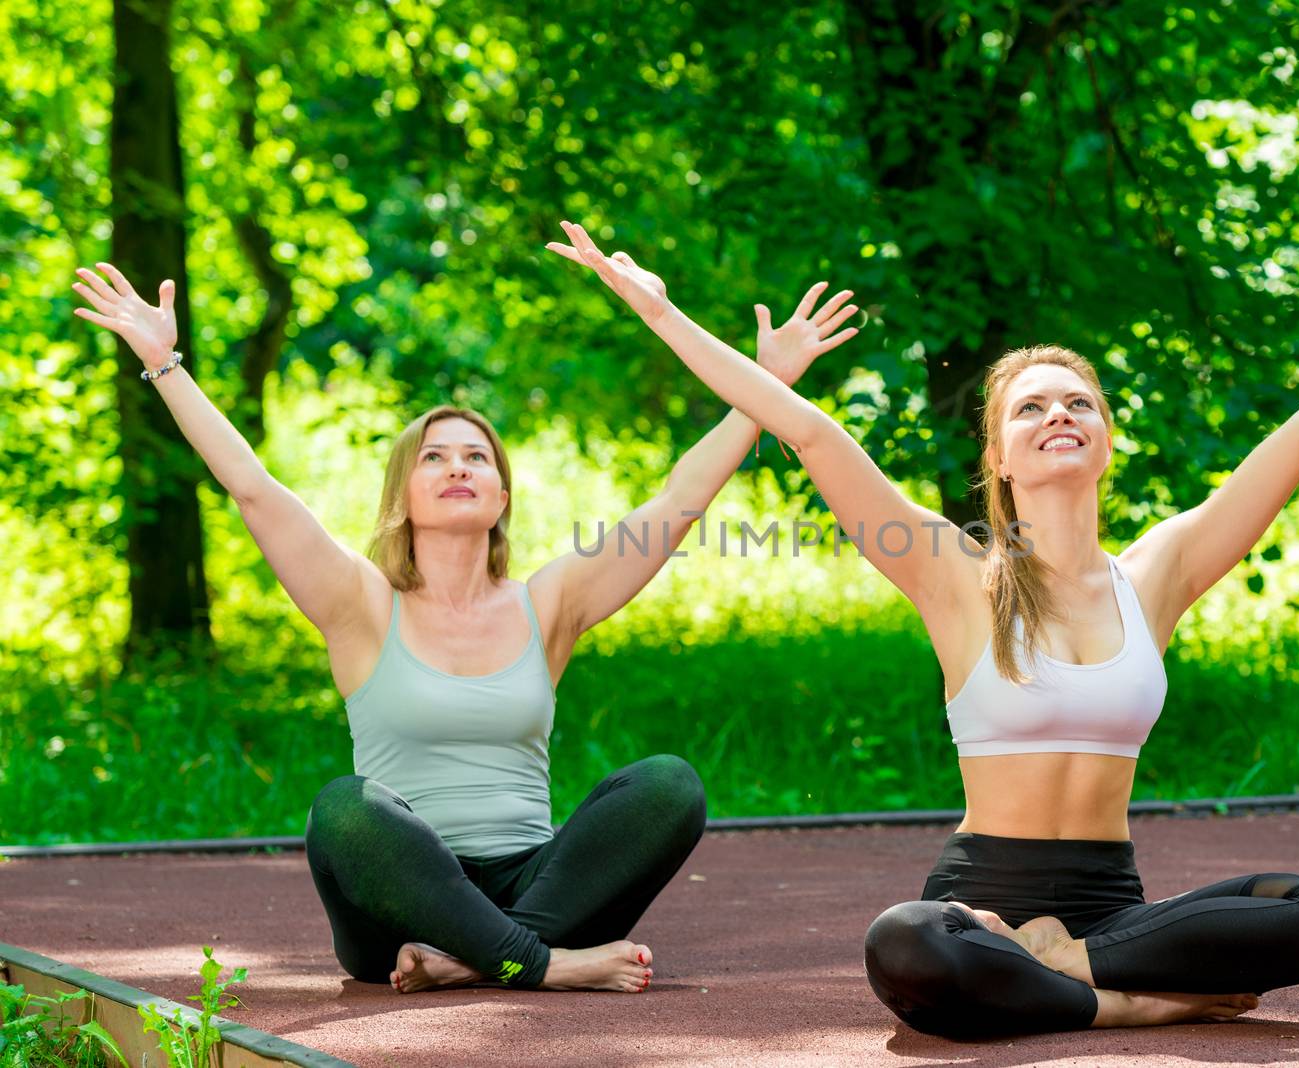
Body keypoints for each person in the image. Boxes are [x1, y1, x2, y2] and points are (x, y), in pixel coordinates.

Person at [548, 219, 1299, 1033]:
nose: (1058, 413)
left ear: (1107, 438)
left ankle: (1066, 987)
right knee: (908, 943)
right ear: (1000, 454)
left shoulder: (1159, 572)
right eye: (1031, 408)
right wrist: (655, 306)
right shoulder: (953, 575)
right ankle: (1135, 1009)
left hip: (1114, 911)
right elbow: (808, 428)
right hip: (980, 898)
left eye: (1079, 402)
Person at [70, 257, 858, 994]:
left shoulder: (549, 602)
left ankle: (484, 959)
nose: (457, 468)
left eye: (476, 458)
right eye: (435, 457)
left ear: (502, 496)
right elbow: (251, 485)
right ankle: (538, 965)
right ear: (402, 495)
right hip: (400, 902)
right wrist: (163, 364)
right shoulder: (360, 601)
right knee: (344, 809)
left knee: (668, 785)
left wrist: (765, 390)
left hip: (536, 883)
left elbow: (677, 502)